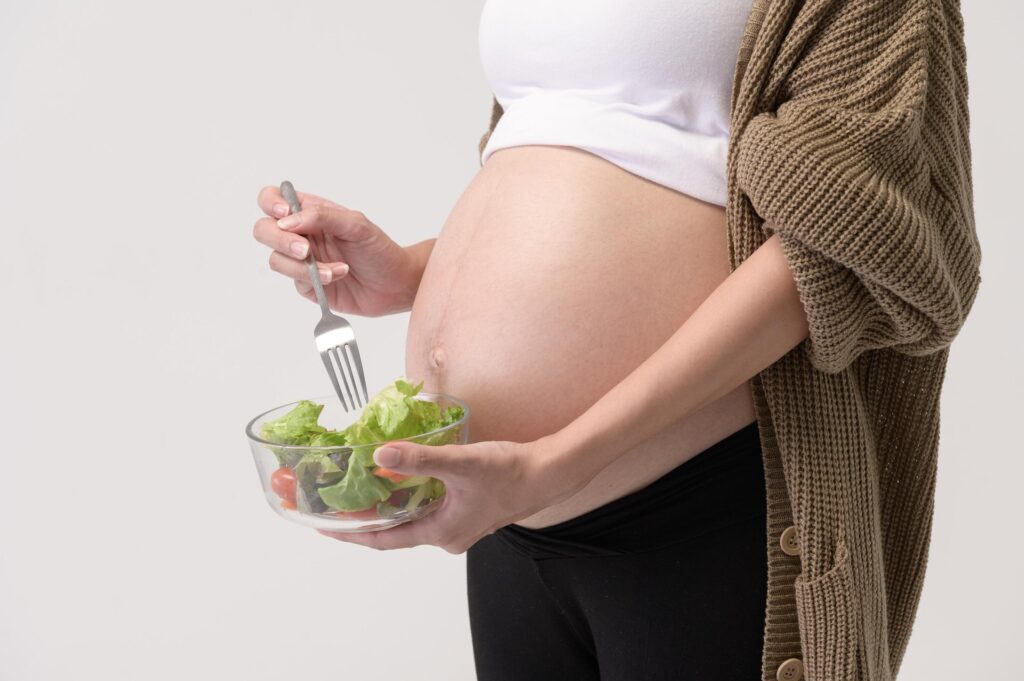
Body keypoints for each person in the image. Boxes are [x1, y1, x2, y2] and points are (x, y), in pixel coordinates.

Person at [250, 1, 982, 679]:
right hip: (508, 517)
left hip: (692, 505)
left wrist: (560, 460)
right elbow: (586, 159)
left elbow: (841, 240)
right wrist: (410, 272)